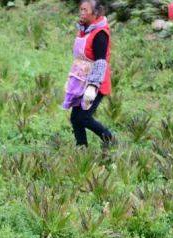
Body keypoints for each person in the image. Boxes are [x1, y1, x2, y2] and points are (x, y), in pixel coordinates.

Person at [62, 0, 115, 147]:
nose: (82, 13)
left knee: (84, 117)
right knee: (75, 118)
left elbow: (100, 62)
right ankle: (82, 148)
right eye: (81, 10)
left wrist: (92, 86)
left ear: (96, 13)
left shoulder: (100, 34)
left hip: (96, 82)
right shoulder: (85, 29)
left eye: (85, 10)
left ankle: (110, 139)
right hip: (80, 80)